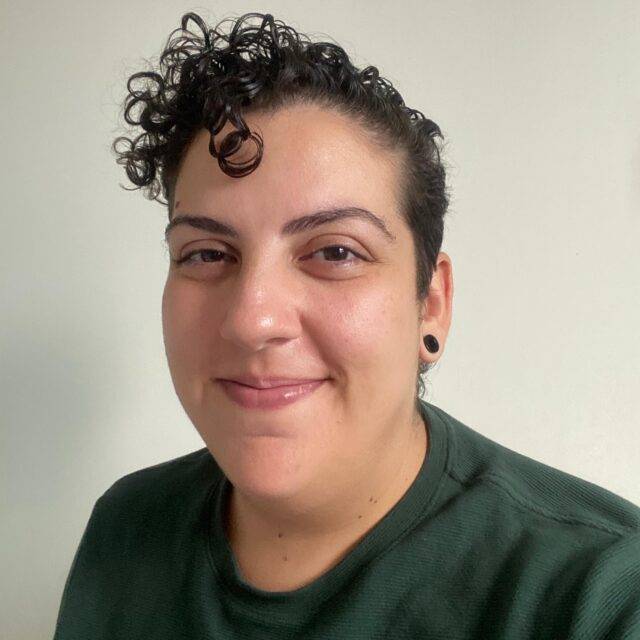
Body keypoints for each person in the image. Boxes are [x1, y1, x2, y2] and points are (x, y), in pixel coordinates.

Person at [53, 10, 640, 639]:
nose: (252, 319)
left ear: (431, 304)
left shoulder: (600, 596)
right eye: (207, 254)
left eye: (335, 252)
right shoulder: (126, 527)